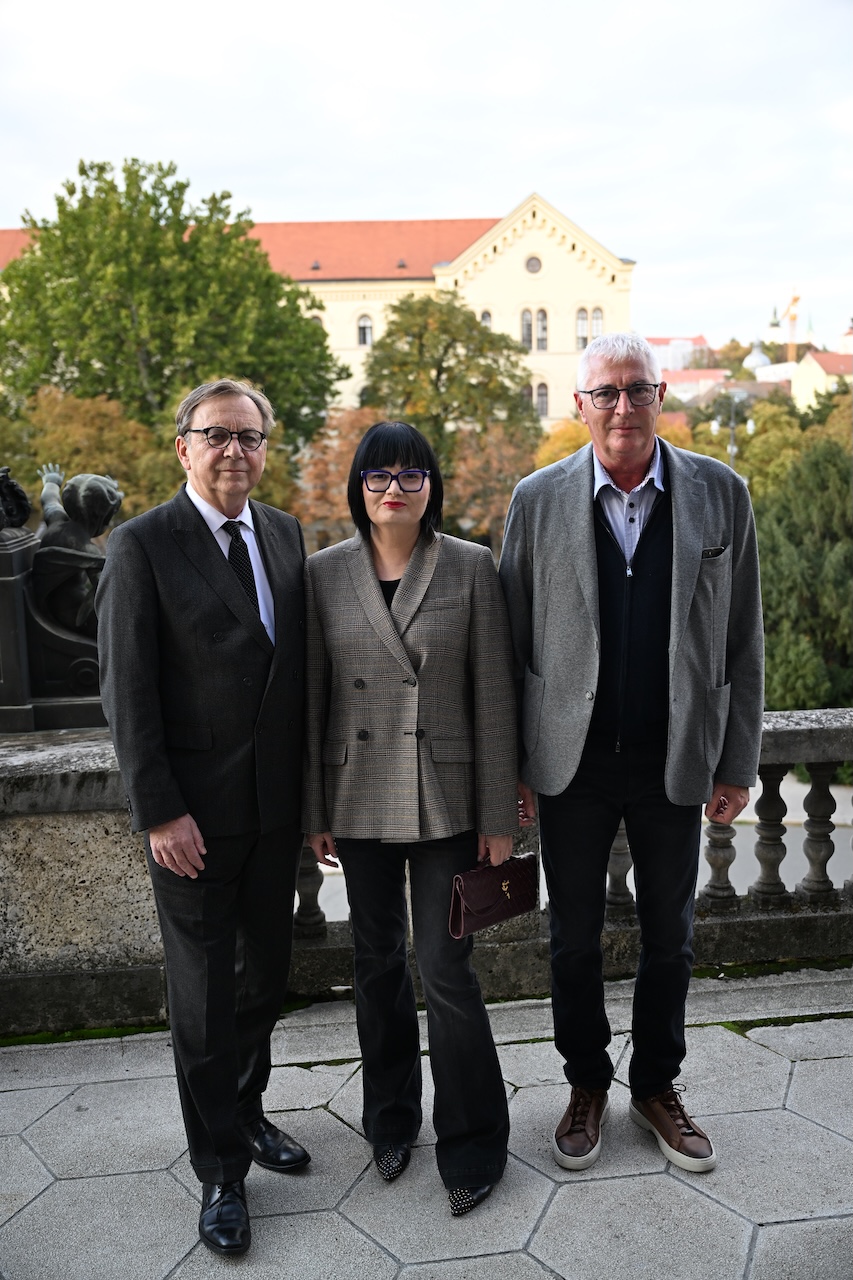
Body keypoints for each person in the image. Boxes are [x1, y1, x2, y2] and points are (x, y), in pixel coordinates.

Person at [499, 333, 763, 1175]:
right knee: (570, 938)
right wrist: (511, 766)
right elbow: (509, 644)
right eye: (604, 393)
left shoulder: (720, 494)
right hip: (568, 764)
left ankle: (656, 1086)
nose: (621, 407)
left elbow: (742, 636)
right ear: (577, 405)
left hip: (672, 756)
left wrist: (737, 759)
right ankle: (585, 1084)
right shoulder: (536, 500)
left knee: (669, 937)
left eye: (636, 390)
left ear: (659, 397)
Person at [96, 380, 309, 1258]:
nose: (234, 451)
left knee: (265, 980)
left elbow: (295, 681)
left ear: (265, 448)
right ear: (182, 445)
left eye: (249, 436)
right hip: (191, 822)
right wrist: (160, 813)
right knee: (202, 999)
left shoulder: (288, 535)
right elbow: (126, 693)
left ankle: (248, 1111)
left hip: (275, 815)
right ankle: (221, 1172)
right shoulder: (139, 546)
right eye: (215, 435)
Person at [304, 420, 517, 1217]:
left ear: (432, 486)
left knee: (446, 968)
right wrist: (313, 809)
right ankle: (389, 1121)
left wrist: (499, 816)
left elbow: (493, 697)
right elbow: (314, 698)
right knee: (376, 964)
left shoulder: (469, 566)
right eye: (377, 476)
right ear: (357, 488)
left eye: (411, 475)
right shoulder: (321, 572)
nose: (393, 489)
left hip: (446, 797)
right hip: (355, 794)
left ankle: (473, 1142)